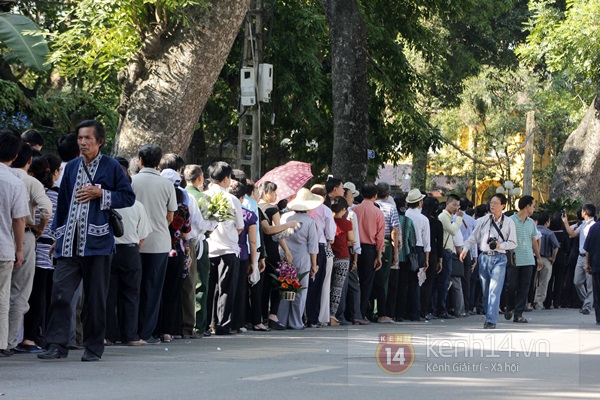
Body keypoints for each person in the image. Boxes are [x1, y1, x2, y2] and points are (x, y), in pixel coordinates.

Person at [38, 120, 135, 361]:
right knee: (60, 294)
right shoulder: (70, 167)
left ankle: (93, 347)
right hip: (68, 243)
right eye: (80, 138)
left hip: (98, 244)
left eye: (88, 138)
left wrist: (102, 193)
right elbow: (62, 205)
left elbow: (128, 197)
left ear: (100, 141)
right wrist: (56, 237)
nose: (82, 143)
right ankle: (56, 345)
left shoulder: (112, 167)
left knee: (95, 300)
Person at [9, 142, 53, 354]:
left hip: (3, 235)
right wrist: (39, 228)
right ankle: (8, 341)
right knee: (19, 292)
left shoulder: (4, 177)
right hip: (25, 237)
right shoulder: (31, 182)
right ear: (28, 161)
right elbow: (46, 209)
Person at [132, 144, 178, 344]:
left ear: (140, 160)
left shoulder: (132, 182)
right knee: (153, 288)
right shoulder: (167, 185)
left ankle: (129, 330)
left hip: (134, 241)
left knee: (132, 288)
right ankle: (146, 332)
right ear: (158, 163)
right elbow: (170, 216)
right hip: (159, 242)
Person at [104, 157, 151, 346]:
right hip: (131, 251)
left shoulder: (106, 203)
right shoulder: (137, 205)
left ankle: (107, 334)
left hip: (108, 251)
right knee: (131, 295)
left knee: (108, 294)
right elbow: (143, 236)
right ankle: (130, 335)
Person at [19, 155, 61, 353]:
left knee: (25, 293)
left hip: (27, 243)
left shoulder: (28, 188)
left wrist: (34, 227)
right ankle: (33, 336)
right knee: (41, 296)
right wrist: (43, 230)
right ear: (53, 172)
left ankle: (23, 336)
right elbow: (54, 218)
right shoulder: (55, 195)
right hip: (47, 251)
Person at [460, 193, 517, 329]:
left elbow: (514, 243)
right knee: (486, 291)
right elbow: (473, 237)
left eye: (496, 203)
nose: (492, 205)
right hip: (484, 257)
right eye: (491, 202)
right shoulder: (483, 220)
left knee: (494, 290)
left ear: (503, 206)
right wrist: (465, 249)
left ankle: (491, 320)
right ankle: (488, 315)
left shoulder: (509, 222)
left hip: (500, 258)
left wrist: (500, 245)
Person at [204, 161, 244, 335]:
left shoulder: (203, 196)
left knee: (207, 287)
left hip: (208, 248)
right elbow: (240, 226)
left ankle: (205, 323)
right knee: (226, 288)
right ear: (226, 178)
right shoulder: (232, 199)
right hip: (228, 248)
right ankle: (222, 324)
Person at [0, 130, 29, 358]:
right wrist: (20, 249)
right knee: (2, 297)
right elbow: (19, 219)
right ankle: (1, 342)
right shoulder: (15, 181)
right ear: (15, 154)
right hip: (4, 248)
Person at [277, 188, 321, 329]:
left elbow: (279, 236)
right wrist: (315, 265)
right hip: (303, 258)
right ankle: (296, 321)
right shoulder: (310, 221)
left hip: (285, 256)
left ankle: (281, 319)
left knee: (284, 288)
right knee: (300, 291)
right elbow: (313, 245)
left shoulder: (285, 217)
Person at [258, 181, 296, 330]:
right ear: (266, 193)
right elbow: (279, 233)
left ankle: (260, 314)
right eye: (273, 192)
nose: (275, 195)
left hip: (260, 249)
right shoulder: (273, 209)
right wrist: (286, 250)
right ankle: (273, 315)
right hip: (272, 250)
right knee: (275, 283)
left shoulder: (256, 207)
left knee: (261, 285)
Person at [503, 196, 543, 323]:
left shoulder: (531, 222)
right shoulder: (510, 220)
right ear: (527, 206)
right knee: (512, 286)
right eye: (533, 205)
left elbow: (533, 240)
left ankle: (518, 314)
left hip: (528, 259)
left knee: (524, 288)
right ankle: (509, 306)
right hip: (514, 259)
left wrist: (538, 257)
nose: (534, 208)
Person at [352, 183, 385, 321]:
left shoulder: (354, 210)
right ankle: (361, 313)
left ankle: (352, 311)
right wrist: (379, 256)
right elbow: (380, 236)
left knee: (353, 282)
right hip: (369, 249)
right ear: (375, 195)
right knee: (366, 283)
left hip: (353, 247)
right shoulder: (378, 212)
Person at [372, 182, 400, 323]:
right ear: (388, 195)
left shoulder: (371, 206)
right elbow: (395, 231)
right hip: (386, 243)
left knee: (370, 278)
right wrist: (395, 253)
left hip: (369, 243)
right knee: (383, 279)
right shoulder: (391, 208)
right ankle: (381, 312)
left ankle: (369, 310)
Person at [562, 204, 596, 315]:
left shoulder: (594, 226)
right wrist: (565, 222)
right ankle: (587, 301)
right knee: (577, 282)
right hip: (580, 257)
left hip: (589, 257)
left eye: (582, 210)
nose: (581, 212)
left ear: (585, 212)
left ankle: (587, 306)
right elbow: (572, 234)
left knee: (590, 284)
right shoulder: (582, 225)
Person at [404, 189, 430, 321]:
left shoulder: (404, 215)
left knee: (404, 282)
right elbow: (427, 241)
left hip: (404, 249)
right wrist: (426, 259)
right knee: (416, 282)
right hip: (418, 250)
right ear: (420, 202)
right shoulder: (423, 219)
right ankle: (415, 312)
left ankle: (403, 311)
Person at [436, 194, 463, 319]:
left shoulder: (449, 217)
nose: (456, 208)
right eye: (454, 205)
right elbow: (453, 231)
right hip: (445, 252)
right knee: (444, 282)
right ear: (447, 203)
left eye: (458, 205)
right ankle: (441, 310)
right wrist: (459, 219)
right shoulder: (443, 217)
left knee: (446, 282)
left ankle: (442, 308)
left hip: (448, 252)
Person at [329, 196, 355, 325]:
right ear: (344, 209)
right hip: (343, 257)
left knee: (326, 286)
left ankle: (323, 312)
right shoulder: (347, 223)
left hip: (329, 256)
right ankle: (332, 314)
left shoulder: (329, 221)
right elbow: (352, 239)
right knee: (337, 288)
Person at [543, 215, 570, 309]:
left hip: (550, 258)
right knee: (559, 280)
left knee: (549, 280)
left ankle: (547, 302)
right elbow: (567, 248)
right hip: (561, 259)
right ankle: (556, 302)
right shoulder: (563, 234)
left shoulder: (549, 233)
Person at [534, 212, 560, 309]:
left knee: (533, 282)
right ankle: (539, 303)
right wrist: (552, 258)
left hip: (534, 258)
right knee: (543, 282)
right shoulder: (550, 233)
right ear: (547, 222)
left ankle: (530, 301)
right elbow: (556, 246)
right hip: (545, 259)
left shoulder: (533, 230)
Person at [584, 220, 600, 325]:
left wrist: (587, 264)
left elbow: (587, 248)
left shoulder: (594, 228)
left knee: (597, 292)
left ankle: (599, 317)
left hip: (596, 264)